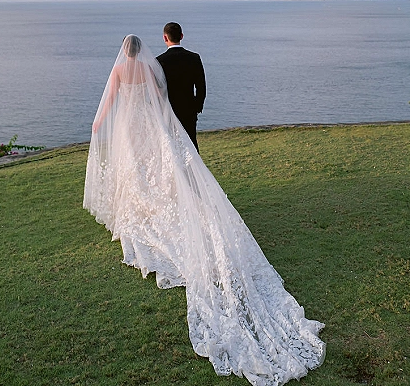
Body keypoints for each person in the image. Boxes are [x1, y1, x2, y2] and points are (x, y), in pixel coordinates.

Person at [83, 35, 325, 386]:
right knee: (151, 165)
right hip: (148, 121)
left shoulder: (119, 69)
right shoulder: (151, 68)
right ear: (143, 50)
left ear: (124, 51)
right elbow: (160, 99)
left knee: (134, 167)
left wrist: (97, 123)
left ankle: (136, 208)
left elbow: (109, 101)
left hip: (128, 124)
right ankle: (150, 202)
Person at [156, 22, 206, 151]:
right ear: (182, 36)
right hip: (189, 109)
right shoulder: (194, 58)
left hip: (168, 110)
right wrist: (197, 107)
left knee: (170, 146)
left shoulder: (159, 61)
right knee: (191, 144)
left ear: (165, 38)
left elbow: (158, 89)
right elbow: (201, 87)